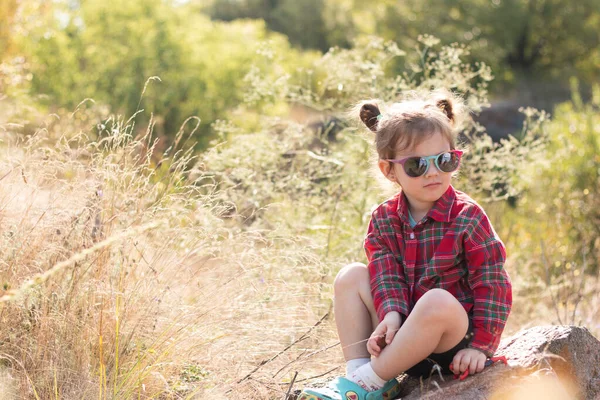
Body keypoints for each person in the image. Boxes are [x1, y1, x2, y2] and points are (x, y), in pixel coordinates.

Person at [298, 90, 512, 400]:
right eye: (416, 165)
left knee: (437, 300)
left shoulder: (468, 217)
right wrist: (392, 315)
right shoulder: (384, 218)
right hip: (402, 338)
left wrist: (481, 346)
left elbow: (492, 282)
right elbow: (386, 275)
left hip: (451, 341)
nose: (434, 172)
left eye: (444, 160)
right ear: (389, 170)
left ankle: (367, 380)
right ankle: (363, 378)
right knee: (351, 276)